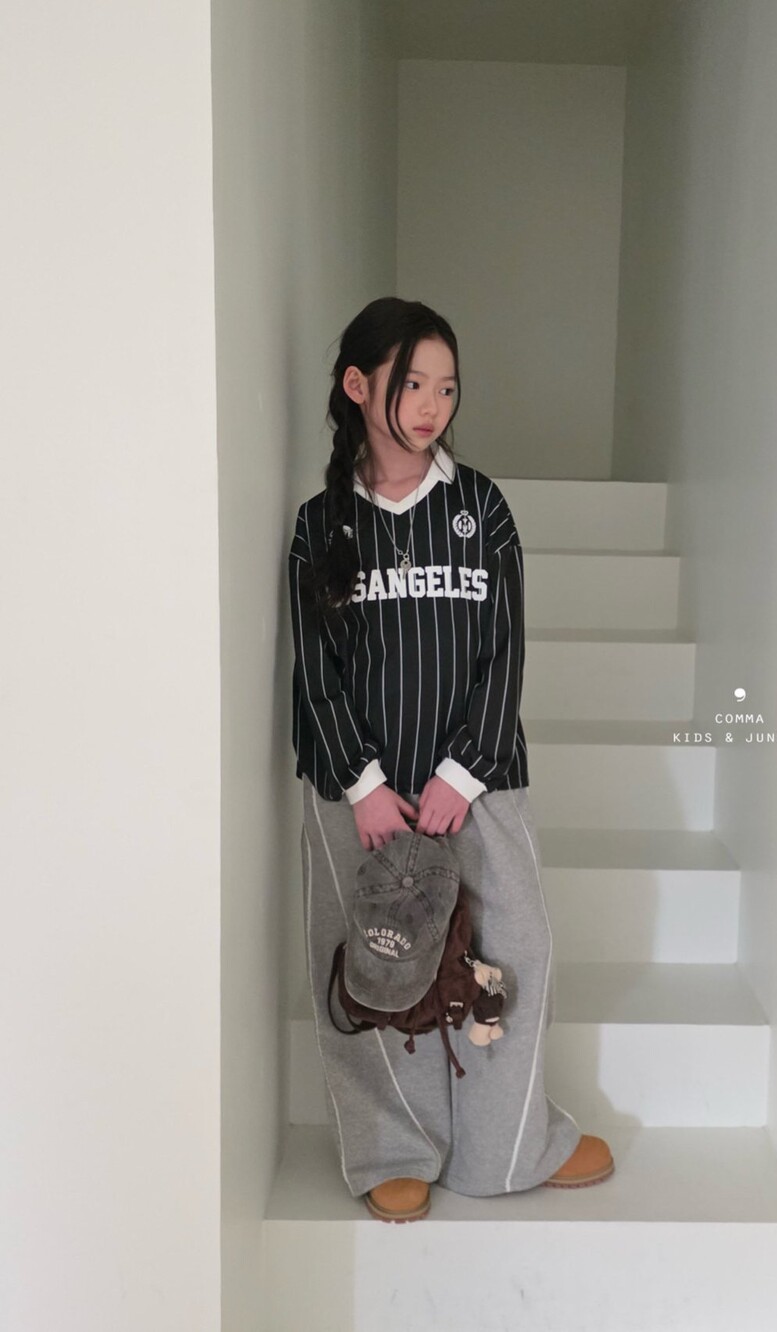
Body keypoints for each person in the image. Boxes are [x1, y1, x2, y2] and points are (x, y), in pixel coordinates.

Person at [288, 295, 614, 1222]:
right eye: (413, 385)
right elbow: (316, 673)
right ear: (358, 387)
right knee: (374, 968)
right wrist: (364, 786)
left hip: (479, 782)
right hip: (360, 797)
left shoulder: (482, 508)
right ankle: (393, 1150)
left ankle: (509, 1148)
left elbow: (504, 652)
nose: (433, 406)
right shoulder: (320, 525)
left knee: (518, 948)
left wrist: (460, 773)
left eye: (447, 388)